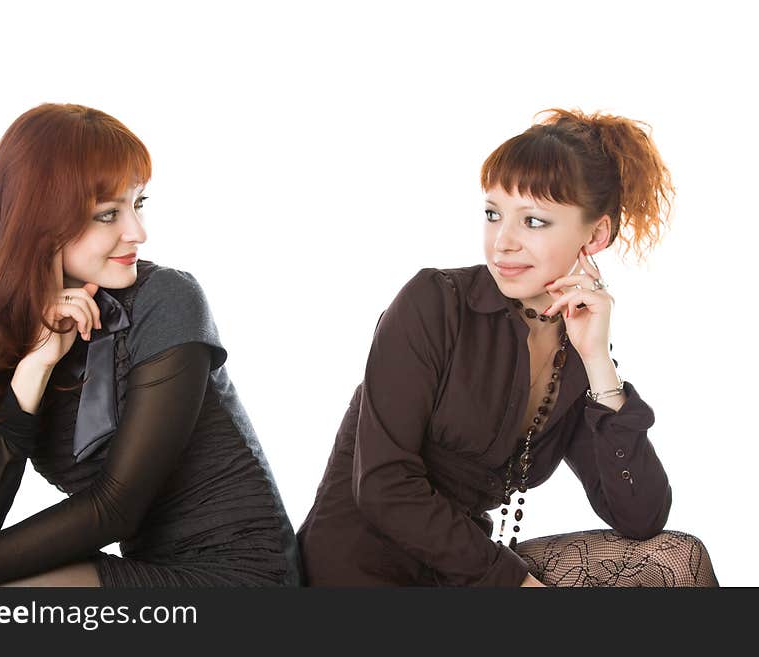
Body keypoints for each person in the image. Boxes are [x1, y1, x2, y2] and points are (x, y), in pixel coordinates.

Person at [0, 103, 302, 587]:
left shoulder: (167, 300)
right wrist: (33, 369)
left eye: (137, 204)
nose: (137, 233)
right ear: (38, 222)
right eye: (108, 214)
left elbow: (117, 506)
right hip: (145, 572)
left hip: (239, 579)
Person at [296, 108, 719, 587]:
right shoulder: (435, 303)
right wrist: (515, 584)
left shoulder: (576, 351)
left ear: (595, 235)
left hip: (460, 572)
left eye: (534, 221)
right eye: (493, 214)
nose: (502, 242)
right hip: (358, 573)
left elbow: (641, 517)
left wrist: (599, 364)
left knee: (675, 560)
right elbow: (382, 486)